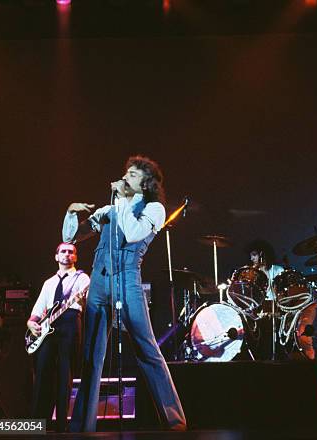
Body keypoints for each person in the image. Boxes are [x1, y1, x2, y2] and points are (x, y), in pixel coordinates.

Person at [62, 155, 186, 431]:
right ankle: (82, 426)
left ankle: (174, 421)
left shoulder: (154, 209)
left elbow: (132, 233)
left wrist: (122, 202)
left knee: (146, 347)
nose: (125, 177)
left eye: (132, 174)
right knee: (91, 355)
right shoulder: (111, 208)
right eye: (126, 173)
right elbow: (72, 237)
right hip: (99, 280)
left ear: (146, 181)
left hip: (128, 278)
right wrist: (72, 213)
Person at [27, 243, 90, 432]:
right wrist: (31, 323)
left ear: (75, 258)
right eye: (63, 251)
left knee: (65, 374)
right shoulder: (49, 283)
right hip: (48, 329)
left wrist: (81, 299)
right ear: (56, 256)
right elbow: (37, 311)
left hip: (70, 322)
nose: (67, 254)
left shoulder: (82, 278)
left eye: (71, 252)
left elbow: (86, 299)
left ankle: (62, 427)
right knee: (42, 374)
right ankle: (38, 425)